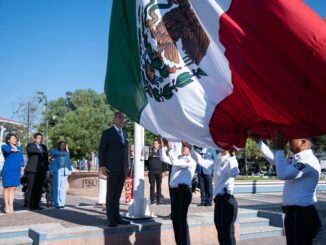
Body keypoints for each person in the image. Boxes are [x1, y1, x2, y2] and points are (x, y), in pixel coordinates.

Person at [257, 130, 321, 245]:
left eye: (293, 137)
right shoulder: (298, 159)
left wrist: (280, 148)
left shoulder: (307, 161)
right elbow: (275, 160)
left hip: (301, 215)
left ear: (303, 142)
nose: (289, 140)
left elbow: (282, 174)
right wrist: (259, 142)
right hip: (297, 214)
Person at [192, 148, 239, 245]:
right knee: (220, 230)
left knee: (227, 233)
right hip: (219, 200)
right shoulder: (218, 160)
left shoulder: (231, 160)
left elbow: (234, 173)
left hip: (226, 199)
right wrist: (190, 149)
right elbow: (203, 162)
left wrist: (233, 156)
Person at [160, 141, 196, 245]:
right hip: (175, 192)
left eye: (186, 146)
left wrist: (170, 148)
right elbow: (163, 158)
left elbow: (175, 162)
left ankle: (184, 243)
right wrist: (163, 146)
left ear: (190, 148)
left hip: (184, 192)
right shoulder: (177, 158)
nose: (184, 148)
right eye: (183, 146)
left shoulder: (191, 160)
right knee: (175, 220)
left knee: (181, 219)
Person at [98, 112, 130, 227]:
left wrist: (128, 166)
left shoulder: (125, 133)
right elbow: (102, 150)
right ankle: (110, 218)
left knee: (117, 195)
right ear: (115, 119)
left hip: (122, 169)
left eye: (123, 118)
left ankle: (117, 216)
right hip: (111, 168)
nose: (122, 120)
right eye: (120, 117)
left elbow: (126, 151)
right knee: (111, 194)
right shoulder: (107, 133)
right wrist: (102, 166)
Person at [25, 132, 49, 210]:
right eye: (38, 138)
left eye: (41, 138)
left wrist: (46, 168)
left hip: (41, 170)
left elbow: (45, 158)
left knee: (39, 188)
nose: (40, 139)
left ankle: (37, 204)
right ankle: (29, 204)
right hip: (32, 170)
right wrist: (41, 151)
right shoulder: (30, 145)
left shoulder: (44, 147)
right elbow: (32, 151)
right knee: (31, 188)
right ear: (34, 138)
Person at [1, 133, 24, 214]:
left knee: (13, 188)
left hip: (16, 170)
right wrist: (12, 149)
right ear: (8, 140)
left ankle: (11, 205)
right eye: (13, 138)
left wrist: (22, 169)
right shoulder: (4, 146)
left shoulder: (19, 148)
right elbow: (6, 150)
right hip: (7, 170)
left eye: (15, 138)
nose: (15, 140)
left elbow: (21, 159)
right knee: (7, 187)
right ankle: (6, 205)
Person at [49, 141, 72, 209]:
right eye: (61, 145)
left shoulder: (67, 153)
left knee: (63, 187)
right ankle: (57, 203)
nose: (63, 146)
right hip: (57, 170)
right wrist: (64, 153)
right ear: (59, 146)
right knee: (57, 187)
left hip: (65, 170)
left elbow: (68, 162)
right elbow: (52, 152)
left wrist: (70, 169)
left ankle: (62, 203)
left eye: (64, 145)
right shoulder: (55, 151)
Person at [147, 139, 164, 204]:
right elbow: (146, 160)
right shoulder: (149, 151)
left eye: (156, 143)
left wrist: (164, 170)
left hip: (159, 171)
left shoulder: (161, 151)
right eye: (154, 143)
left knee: (159, 185)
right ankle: (152, 199)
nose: (155, 144)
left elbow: (164, 161)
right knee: (152, 185)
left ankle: (158, 199)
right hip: (151, 171)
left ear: (159, 144)